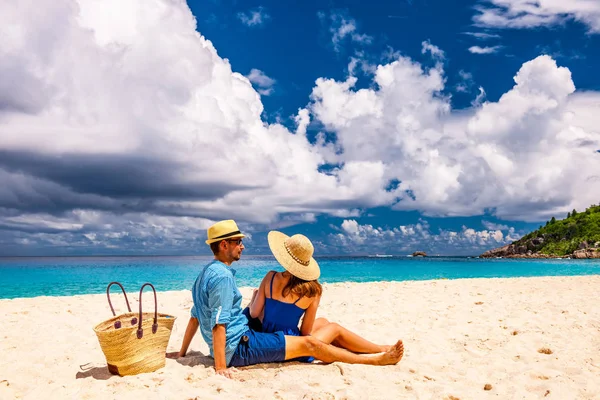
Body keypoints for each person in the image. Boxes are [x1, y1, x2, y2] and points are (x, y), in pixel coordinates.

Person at [174, 220, 404, 378]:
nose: (242, 246)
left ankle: (376, 349)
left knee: (324, 325)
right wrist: (221, 367)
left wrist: (182, 353)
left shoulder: (205, 273)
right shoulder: (223, 278)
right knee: (310, 343)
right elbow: (218, 323)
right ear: (224, 245)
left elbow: (195, 316)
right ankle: (375, 359)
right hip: (239, 347)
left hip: (241, 337)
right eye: (238, 242)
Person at [247, 230, 393, 357]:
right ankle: (378, 348)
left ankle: (358, 347)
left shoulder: (270, 277)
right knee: (334, 328)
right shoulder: (313, 290)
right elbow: (305, 331)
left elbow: (254, 314)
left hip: (267, 337)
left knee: (323, 322)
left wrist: (255, 296)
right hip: (291, 343)